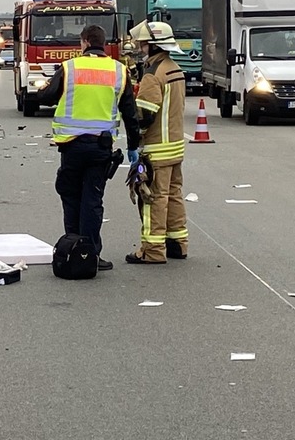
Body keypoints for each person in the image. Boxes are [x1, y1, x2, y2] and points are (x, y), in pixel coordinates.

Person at [34, 23, 141, 270]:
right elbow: (130, 113)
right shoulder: (119, 71)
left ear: (83, 42)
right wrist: (134, 146)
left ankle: (73, 247)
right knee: (93, 200)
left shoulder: (70, 67)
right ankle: (91, 254)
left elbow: (48, 97)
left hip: (72, 146)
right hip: (100, 147)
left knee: (71, 195)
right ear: (103, 43)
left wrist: (42, 91)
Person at [125, 20, 188, 264]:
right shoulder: (175, 69)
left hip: (156, 148)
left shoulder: (153, 75)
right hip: (174, 146)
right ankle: (178, 243)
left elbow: (144, 115)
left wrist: (131, 130)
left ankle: (152, 251)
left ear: (152, 45)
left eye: (142, 43)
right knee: (173, 194)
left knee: (152, 198)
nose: (139, 47)